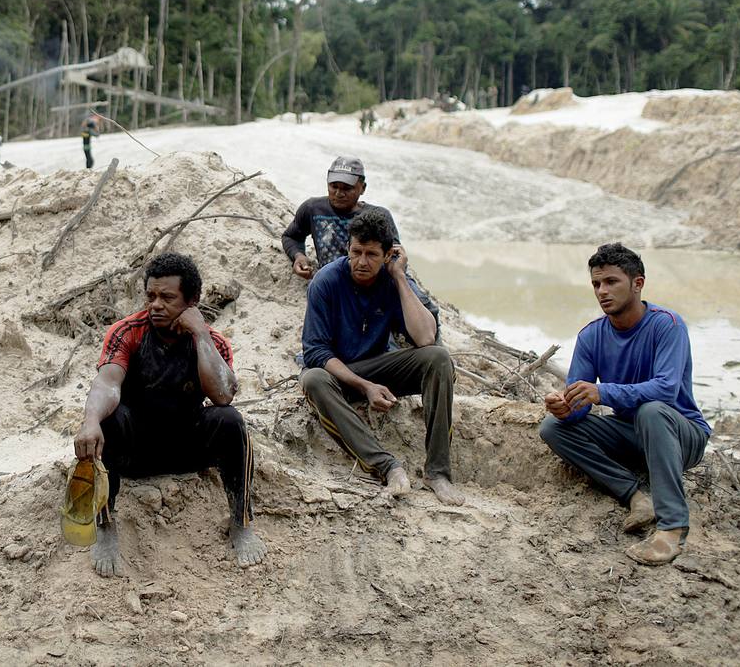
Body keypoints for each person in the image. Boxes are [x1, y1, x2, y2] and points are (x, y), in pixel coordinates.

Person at [73, 252, 266, 576]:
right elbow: (107, 383)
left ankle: (241, 523)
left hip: (186, 445)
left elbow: (221, 394)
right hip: (135, 450)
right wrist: (90, 421)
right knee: (107, 418)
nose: (156, 305)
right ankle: (105, 525)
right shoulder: (129, 332)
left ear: (192, 301)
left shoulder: (213, 342)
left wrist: (200, 334)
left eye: (167, 297)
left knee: (231, 421)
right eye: (150, 296)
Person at [539, 243, 710, 566]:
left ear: (638, 283)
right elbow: (580, 404)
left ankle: (672, 528)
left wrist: (603, 393)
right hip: (632, 435)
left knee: (653, 410)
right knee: (552, 428)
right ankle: (635, 496)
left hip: (681, 436)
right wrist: (565, 407)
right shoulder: (591, 336)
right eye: (596, 284)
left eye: (612, 282)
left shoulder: (667, 325)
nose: (602, 291)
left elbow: (666, 391)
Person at [299, 210, 464, 505]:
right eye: (356, 252)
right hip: (339, 374)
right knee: (312, 379)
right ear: (348, 249)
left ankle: (437, 472)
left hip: (379, 365)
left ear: (388, 254)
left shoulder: (392, 279)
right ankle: (387, 466)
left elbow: (426, 337)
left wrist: (399, 277)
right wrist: (365, 386)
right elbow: (315, 352)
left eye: (372, 254)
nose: (361, 262)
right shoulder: (325, 282)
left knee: (439, 358)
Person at [282, 155, 400, 281]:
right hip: (330, 282)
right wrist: (299, 256)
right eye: (334, 186)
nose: (339, 193)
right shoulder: (312, 209)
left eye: (347, 188)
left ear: (363, 188)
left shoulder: (379, 217)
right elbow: (291, 236)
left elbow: (395, 255)